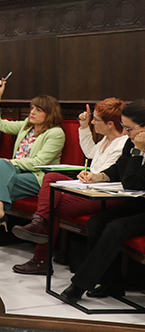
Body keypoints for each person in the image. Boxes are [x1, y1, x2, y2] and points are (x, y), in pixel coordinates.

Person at [11, 98, 127, 275]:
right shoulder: (106, 140)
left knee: (52, 206)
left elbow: (108, 174)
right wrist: (84, 126)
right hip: (88, 188)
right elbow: (90, 152)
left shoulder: (123, 144)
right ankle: (39, 223)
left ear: (110, 124)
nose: (93, 122)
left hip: (106, 194)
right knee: (51, 177)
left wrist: (92, 176)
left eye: (96, 120)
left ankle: (41, 255)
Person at [59, 99, 145, 302]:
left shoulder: (135, 145)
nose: (126, 133)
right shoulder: (131, 141)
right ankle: (111, 283)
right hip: (138, 204)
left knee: (116, 228)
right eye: (124, 127)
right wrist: (100, 176)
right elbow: (121, 169)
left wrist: (138, 150)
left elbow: (133, 183)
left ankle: (78, 286)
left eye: (130, 128)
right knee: (96, 222)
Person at [0, 77, 65, 253]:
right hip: (14, 174)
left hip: (38, 178)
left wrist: (10, 163)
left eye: (38, 109)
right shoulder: (26, 127)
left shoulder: (55, 133)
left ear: (49, 114)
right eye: (32, 108)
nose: (32, 112)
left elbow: (39, 163)